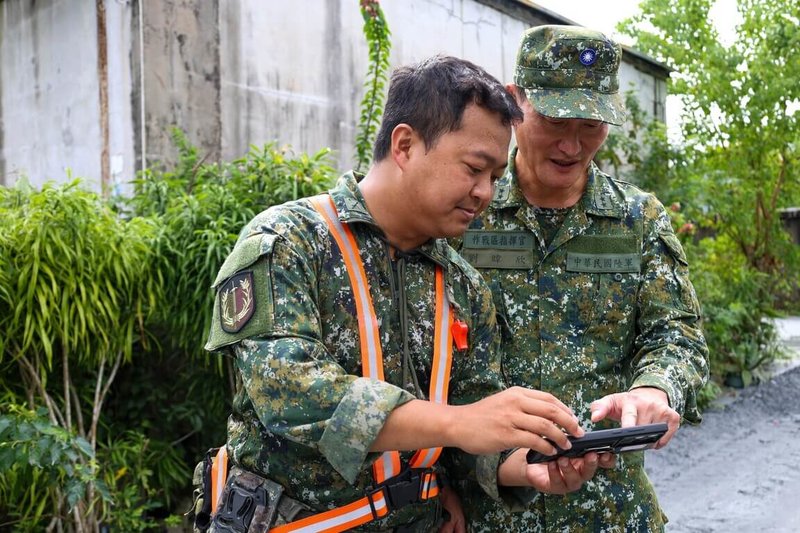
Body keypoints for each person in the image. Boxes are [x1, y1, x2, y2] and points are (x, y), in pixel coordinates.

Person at [199, 55, 602, 533]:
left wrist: (526, 464)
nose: (486, 193)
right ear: (406, 145)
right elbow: (292, 394)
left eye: (495, 178)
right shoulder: (290, 242)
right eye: (474, 169)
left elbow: (474, 423)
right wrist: (459, 422)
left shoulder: (462, 286)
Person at [456, 26, 710, 532]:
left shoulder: (638, 221)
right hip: (488, 509)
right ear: (516, 103)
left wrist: (656, 389)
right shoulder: (466, 212)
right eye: (555, 118)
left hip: (610, 511)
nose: (573, 144)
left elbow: (676, 334)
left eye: (592, 123)